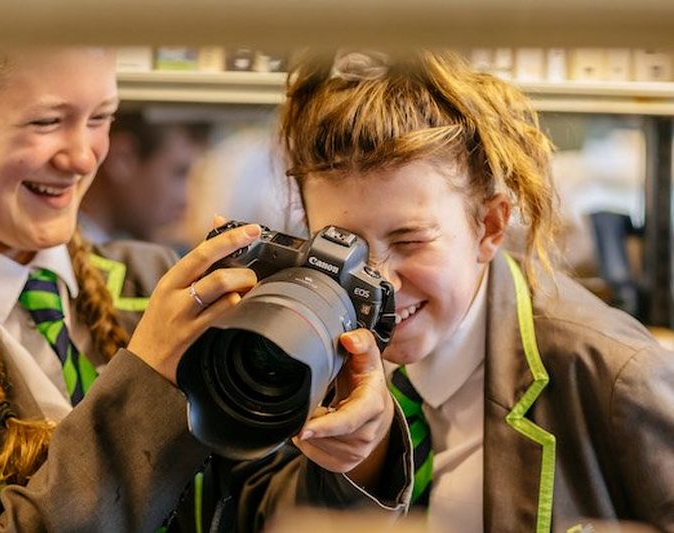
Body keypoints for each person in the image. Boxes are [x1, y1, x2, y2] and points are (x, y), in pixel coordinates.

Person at [0, 48, 411, 531]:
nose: (83, 157)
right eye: (45, 122)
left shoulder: (152, 276)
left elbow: (259, 507)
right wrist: (147, 375)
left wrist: (359, 453)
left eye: (101, 119)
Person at [279, 50, 674, 532]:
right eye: (344, 247)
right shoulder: (301, 350)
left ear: (488, 226)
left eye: (409, 241)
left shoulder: (615, 375)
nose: (378, 284)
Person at [79, 112, 205, 246]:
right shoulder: (74, 257)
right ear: (123, 158)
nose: (184, 202)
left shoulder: (110, 249)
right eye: (178, 174)